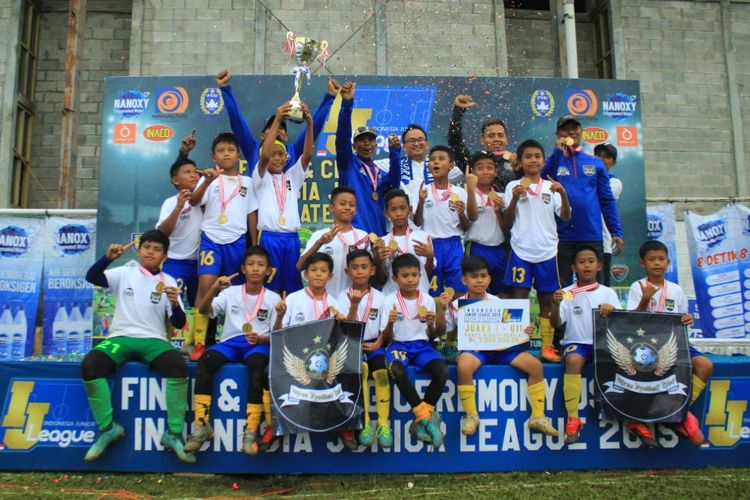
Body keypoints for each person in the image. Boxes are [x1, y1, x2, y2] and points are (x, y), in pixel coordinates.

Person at [81, 230, 194, 463]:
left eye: (157, 249)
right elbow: (92, 277)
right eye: (147, 247)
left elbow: (179, 323)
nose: (151, 252)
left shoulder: (169, 282)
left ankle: (173, 434)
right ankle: (108, 428)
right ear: (139, 250)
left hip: (154, 340)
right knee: (91, 366)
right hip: (120, 338)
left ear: (165, 255)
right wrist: (107, 258)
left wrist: (175, 304)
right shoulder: (125, 272)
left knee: (177, 367)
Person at [184, 246, 282, 456]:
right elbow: (203, 310)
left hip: (257, 343)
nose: (255, 269)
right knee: (206, 359)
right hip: (230, 342)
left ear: (268, 270)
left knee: (257, 366)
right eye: (251, 264)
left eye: (261, 265)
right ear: (243, 269)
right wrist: (214, 288)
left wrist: (262, 338)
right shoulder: (230, 292)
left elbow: (276, 334)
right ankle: (201, 426)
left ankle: (251, 430)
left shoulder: (273, 298)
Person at [446, 256, 558, 437]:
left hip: (502, 351)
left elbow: (512, 329)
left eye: (483, 276)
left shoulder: (498, 303)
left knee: (536, 366)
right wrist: (440, 311)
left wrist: (524, 332)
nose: (480, 281)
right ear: (464, 280)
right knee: (464, 366)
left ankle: (538, 416)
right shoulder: (456, 306)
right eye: (474, 277)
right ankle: (471, 416)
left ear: (489, 279)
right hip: (476, 351)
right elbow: (444, 331)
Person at [626, 240, 712, 446]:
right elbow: (631, 321)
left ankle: (677, 410)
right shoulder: (637, 287)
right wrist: (645, 300)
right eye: (652, 260)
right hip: (646, 346)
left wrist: (688, 320)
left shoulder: (675, 289)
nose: (657, 263)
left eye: (661, 259)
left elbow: (683, 318)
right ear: (642, 263)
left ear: (668, 262)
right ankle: (647, 418)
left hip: (674, 342)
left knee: (705, 366)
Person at [189, 132, 257, 360]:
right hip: (211, 238)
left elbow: (251, 215)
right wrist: (207, 181)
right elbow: (193, 201)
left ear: (238, 155)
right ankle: (200, 342)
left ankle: (232, 338)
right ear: (213, 155)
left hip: (237, 241)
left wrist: (254, 246)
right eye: (221, 150)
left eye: (230, 150)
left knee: (234, 291)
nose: (226, 154)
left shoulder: (247, 182)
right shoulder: (209, 178)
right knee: (206, 286)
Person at [502, 140, 571, 363]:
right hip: (521, 250)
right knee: (519, 298)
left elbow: (566, 216)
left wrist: (564, 193)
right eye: (528, 156)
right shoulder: (511, 186)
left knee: (547, 299)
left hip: (547, 251)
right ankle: (519, 344)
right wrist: (514, 197)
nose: (533, 160)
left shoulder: (552, 187)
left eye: (537, 156)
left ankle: (547, 346)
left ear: (543, 160)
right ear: (519, 162)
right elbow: (507, 221)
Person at [278, 252, 354, 448]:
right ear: (305, 275)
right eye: (313, 270)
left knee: (347, 371)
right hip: (297, 357)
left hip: (326, 361)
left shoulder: (335, 304)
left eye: (323, 271)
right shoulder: (293, 299)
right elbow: (278, 333)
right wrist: (280, 316)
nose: (318, 275)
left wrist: (341, 321)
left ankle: (344, 425)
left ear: (330, 276)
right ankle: (275, 425)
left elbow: (343, 338)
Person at [541, 115, 624, 287]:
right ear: (558, 134)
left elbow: (607, 201)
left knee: (592, 289)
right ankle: (565, 315)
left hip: (591, 235)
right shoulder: (552, 160)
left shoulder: (595, 163)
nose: (571, 131)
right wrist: (558, 152)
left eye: (575, 128)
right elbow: (540, 179)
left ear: (581, 132)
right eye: (566, 128)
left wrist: (616, 231)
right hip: (561, 236)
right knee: (563, 291)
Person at [550, 245, 620, 445]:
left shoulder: (608, 293)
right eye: (581, 262)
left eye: (591, 261)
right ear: (573, 267)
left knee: (624, 362)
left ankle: (630, 416)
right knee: (573, 360)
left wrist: (612, 310)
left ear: (599, 266)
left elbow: (622, 323)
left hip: (603, 343)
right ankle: (573, 419)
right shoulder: (567, 293)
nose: (586, 265)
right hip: (575, 343)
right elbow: (556, 324)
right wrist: (555, 305)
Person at [381, 254, 448, 448]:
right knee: (397, 371)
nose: (410, 279)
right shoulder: (388, 301)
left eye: (414, 275)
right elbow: (386, 338)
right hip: (398, 346)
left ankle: (420, 420)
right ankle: (425, 417)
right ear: (395, 279)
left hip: (422, 346)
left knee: (442, 371)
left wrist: (432, 323)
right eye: (405, 275)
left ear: (420, 276)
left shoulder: (427, 300)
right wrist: (390, 323)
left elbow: (434, 334)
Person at [214, 68, 339, 173]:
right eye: (273, 126)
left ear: (286, 136)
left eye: (281, 128)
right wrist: (224, 88)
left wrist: (330, 97)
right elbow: (237, 122)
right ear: (262, 136)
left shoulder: (294, 151)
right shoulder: (253, 149)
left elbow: (314, 128)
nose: (278, 130)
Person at [254, 100, 314, 295]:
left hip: (292, 240)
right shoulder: (260, 177)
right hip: (269, 238)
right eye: (273, 154)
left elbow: (307, 155)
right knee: (269, 289)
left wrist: (310, 124)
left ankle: (287, 324)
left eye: (281, 154)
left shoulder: (292, 177)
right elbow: (263, 158)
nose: (278, 158)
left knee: (291, 291)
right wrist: (278, 118)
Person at [337, 250, 392, 448]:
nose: (360, 272)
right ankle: (366, 424)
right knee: (360, 371)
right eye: (355, 268)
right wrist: (354, 305)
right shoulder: (341, 297)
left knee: (381, 374)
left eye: (364, 267)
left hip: (374, 344)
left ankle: (384, 424)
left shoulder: (382, 298)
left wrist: (379, 342)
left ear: (372, 270)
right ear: (347, 271)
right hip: (352, 345)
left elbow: (386, 328)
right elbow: (344, 327)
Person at [335, 81, 402, 235]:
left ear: (375, 145)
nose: (366, 143)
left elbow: (393, 185)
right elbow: (342, 136)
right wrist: (347, 104)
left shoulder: (378, 172)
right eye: (361, 139)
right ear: (353, 145)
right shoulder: (348, 164)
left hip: (378, 234)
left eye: (370, 139)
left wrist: (395, 153)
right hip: (353, 233)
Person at [414, 146, 478, 297]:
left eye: (441, 159)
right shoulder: (424, 191)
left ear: (451, 165)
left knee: (458, 290)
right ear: (428, 166)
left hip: (453, 245)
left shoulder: (459, 192)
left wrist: (462, 214)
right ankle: (436, 320)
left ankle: (456, 320)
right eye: (432, 160)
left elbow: (466, 227)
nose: (435, 162)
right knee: (432, 290)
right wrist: (421, 202)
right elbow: (417, 222)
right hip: (431, 245)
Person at [298, 186, 373, 297]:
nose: (347, 207)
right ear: (331, 207)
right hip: (324, 300)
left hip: (353, 300)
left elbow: (370, 271)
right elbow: (300, 266)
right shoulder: (319, 235)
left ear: (356, 210)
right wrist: (320, 242)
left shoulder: (363, 237)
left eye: (351, 205)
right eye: (342, 204)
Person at [448, 94, 521, 193]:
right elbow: (455, 143)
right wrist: (458, 112)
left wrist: (520, 163)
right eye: (491, 136)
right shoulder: (473, 163)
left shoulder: (517, 162)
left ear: (506, 139)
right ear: (482, 140)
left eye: (500, 135)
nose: (496, 139)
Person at [464, 151, 507, 297]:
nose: (485, 172)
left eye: (489, 167)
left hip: (498, 250)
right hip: (477, 248)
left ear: (495, 172)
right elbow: (472, 216)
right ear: (473, 172)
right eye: (480, 168)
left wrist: (499, 212)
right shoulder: (466, 194)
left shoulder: (501, 196)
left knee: (502, 291)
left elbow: (506, 228)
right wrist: (470, 189)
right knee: (476, 291)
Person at [377, 188, 434, 296]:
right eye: (393, 209)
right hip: (391, 299)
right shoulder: (383, 242)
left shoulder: (423, 237)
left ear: (410, 210)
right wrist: (378, 261)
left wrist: (430, 257)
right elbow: (381, 279)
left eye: (403, 208)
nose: (398, 213)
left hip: (419, 297)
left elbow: (426, 274)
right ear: (386, 212)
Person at [399, 124, 463, 203]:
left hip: (436, 211)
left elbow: (469, 168)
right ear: (404, 146)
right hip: (408, 213)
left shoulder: (442, 165)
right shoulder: (392, 165)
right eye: (411, 141)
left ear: (427, 144)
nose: (416, 144)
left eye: (420, 140)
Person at [594, 143, 622, 286]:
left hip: (603, 243)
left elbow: (598, 196)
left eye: (606, 157)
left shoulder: (615, 182)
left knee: (600, 289)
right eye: (598, 155)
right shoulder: (584, 179)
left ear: (614, 162)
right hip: (580, 240)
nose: (601, 159)